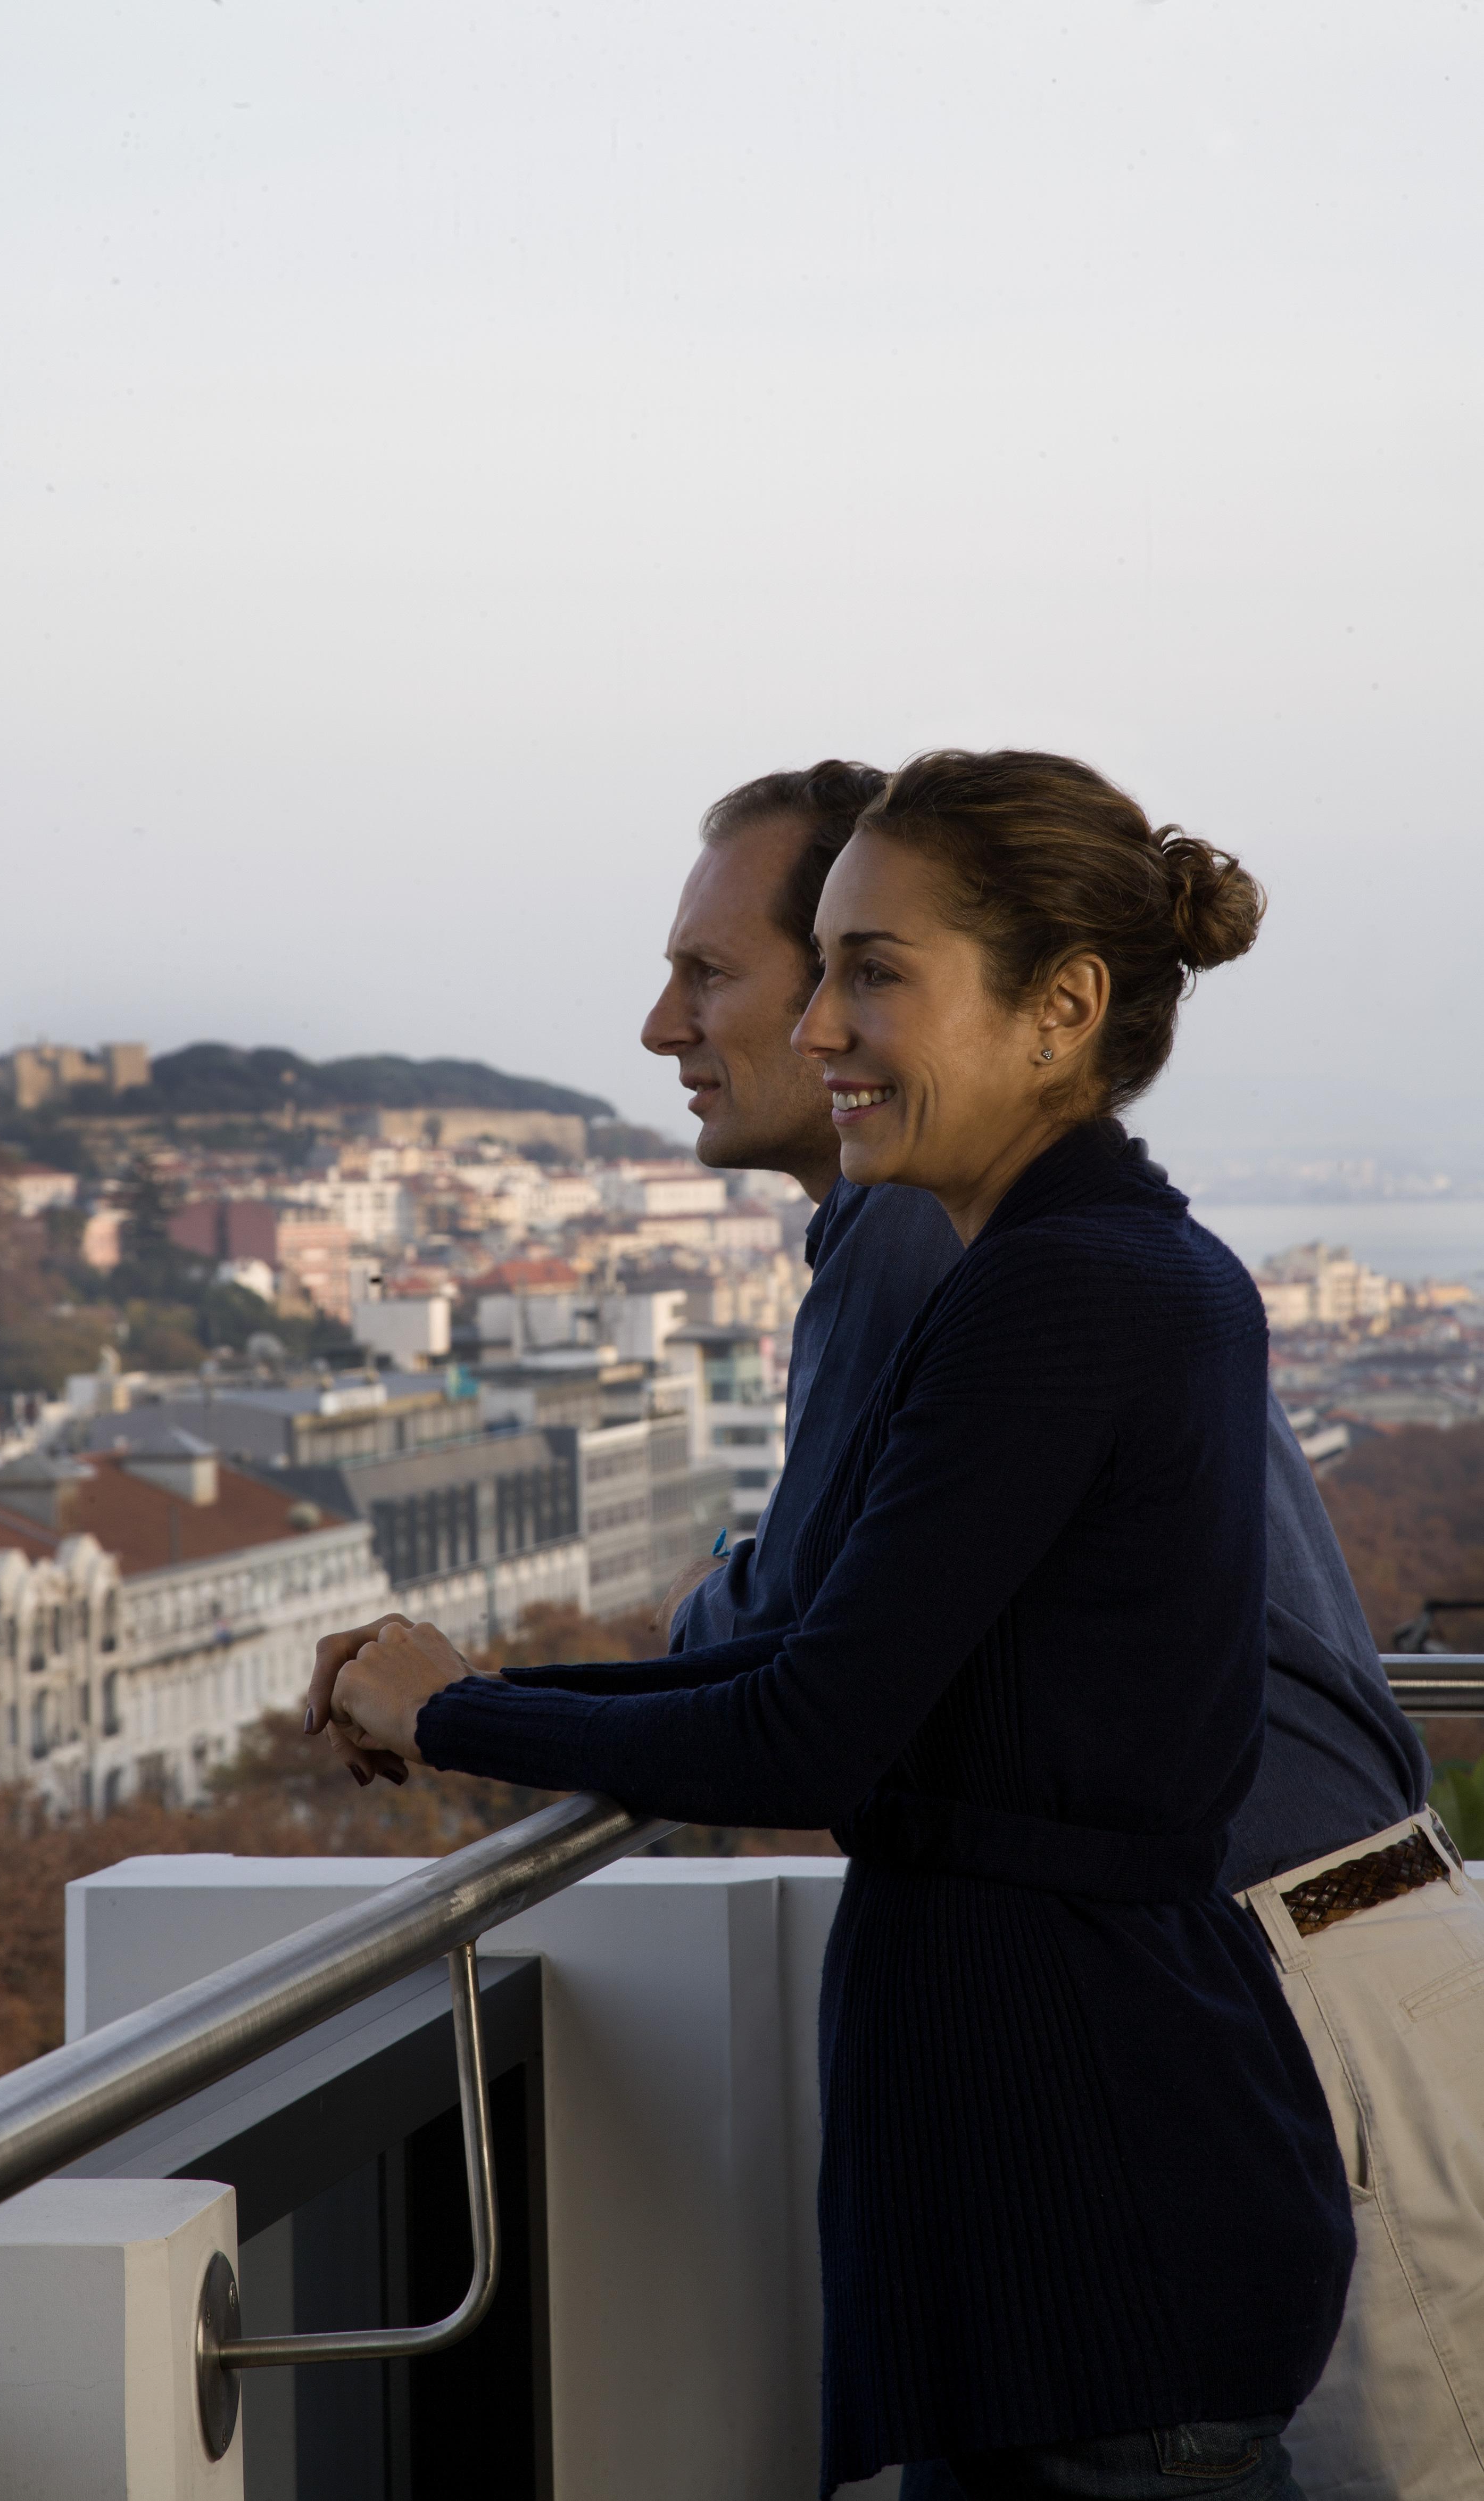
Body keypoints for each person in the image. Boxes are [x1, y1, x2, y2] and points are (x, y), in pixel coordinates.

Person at [309, 749, 1355, 2499]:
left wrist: (461, 1718)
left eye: (876, 972)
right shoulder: (1114, 1264)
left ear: (1062, 1008)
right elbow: (836, 1664)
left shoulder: (1057, 1290)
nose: (820, 1029)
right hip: (1101, 2193)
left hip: (1089, 2210)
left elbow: (802, 1726)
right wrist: (464, 1688)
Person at [640, 762, 1484, 2501]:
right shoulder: (995, 1232)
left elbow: (795, 1644)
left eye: (731, 973)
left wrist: (472, 1699)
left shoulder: (921, 1239)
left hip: (1282, 1985)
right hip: (1293, 1973)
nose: (676, 1023)